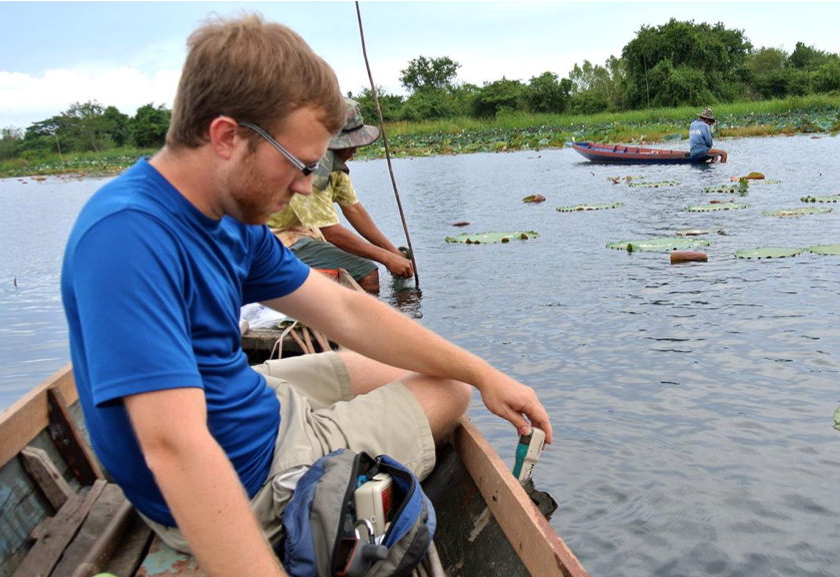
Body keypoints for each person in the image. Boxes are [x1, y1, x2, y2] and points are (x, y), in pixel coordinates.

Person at [60, 15, 552, 577]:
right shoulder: (129, 237)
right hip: (249, 476)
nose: (303, 187)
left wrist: (486, 371)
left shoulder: (225, 218)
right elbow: (177, 450)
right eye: (299, 165)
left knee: (434, 372)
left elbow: (342, 308)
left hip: (243, 402)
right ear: (226, 137)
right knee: (449, 396)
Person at [267, 98, 412, 293]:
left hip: (307, 234)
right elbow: (331, 231)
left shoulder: (335, 164)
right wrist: (385, 258)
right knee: (367, 272)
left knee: (364, 263)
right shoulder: (309, 166)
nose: (354, 150)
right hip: (278, 239)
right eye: (349, 144)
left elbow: (353, 209)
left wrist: (392, 251)